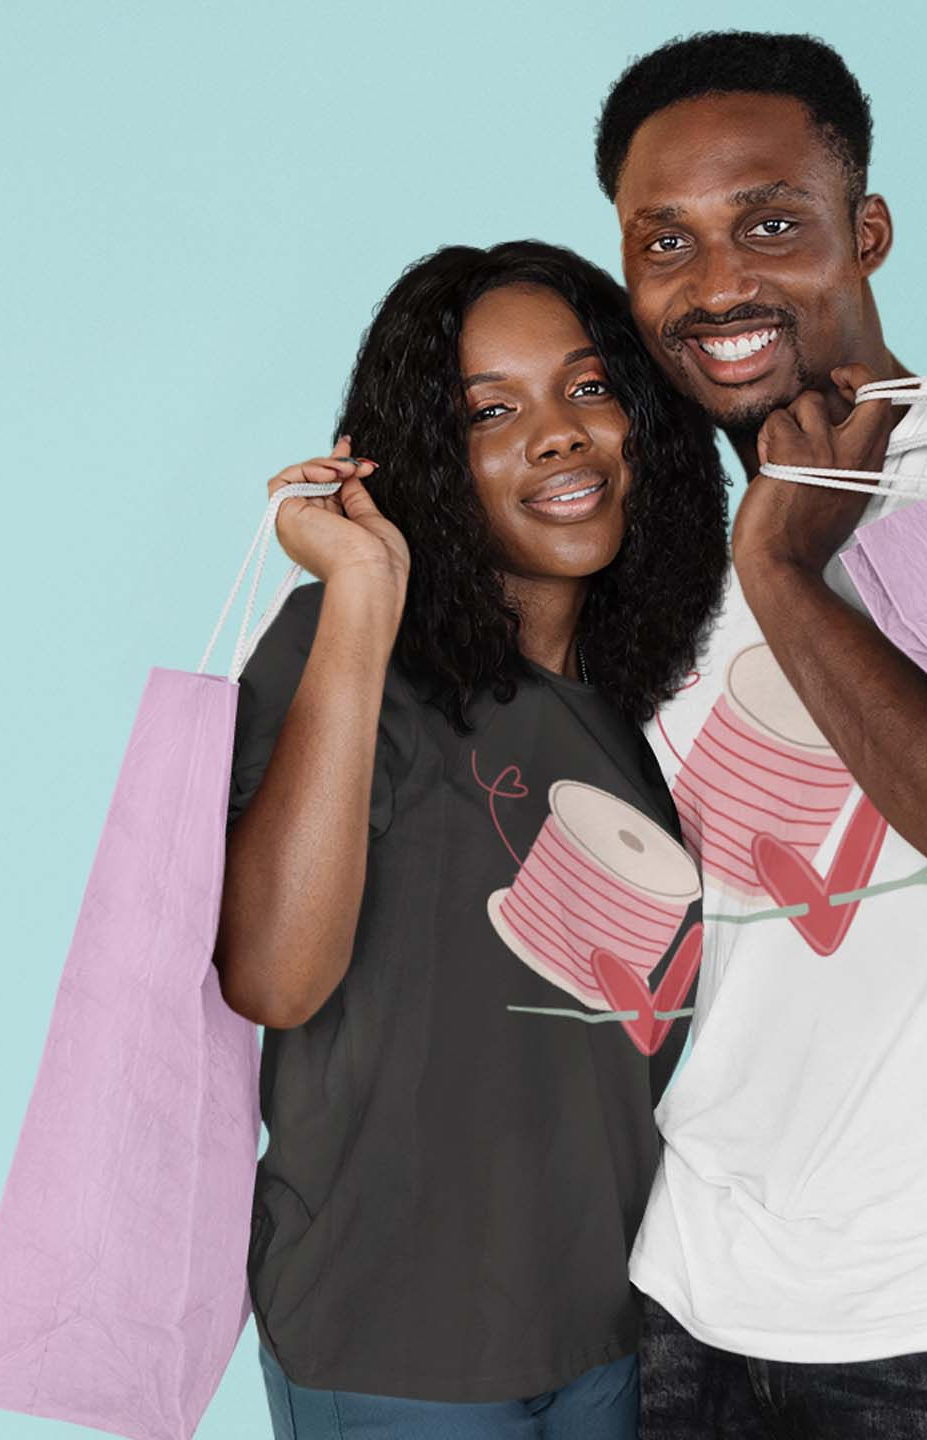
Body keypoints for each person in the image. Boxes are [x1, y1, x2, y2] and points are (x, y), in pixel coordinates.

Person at [593, 31, 927, 1438]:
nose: (718, 285)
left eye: (770, 224)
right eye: (666, 242)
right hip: (683, 1298)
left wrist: (785, 570)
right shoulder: (655, 532)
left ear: (865, 231)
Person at [211, 239, 728, 1437]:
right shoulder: (342, 652)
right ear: (424, 457)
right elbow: (275, 978)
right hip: (390, 1340)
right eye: (490, 412)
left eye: (590, 387)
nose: (557, 435)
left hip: (614, 1333)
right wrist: (361, 593)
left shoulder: (655, 702)